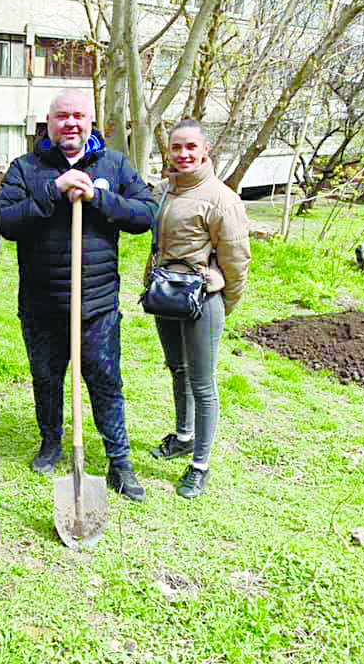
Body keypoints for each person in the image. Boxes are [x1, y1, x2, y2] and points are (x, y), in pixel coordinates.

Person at [0, 89, 157, 501]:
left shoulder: (113, 163)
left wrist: (98, 197)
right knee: (46, 380)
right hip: (42, 305)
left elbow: (145, 214)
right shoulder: (26, 168)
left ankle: (119, 462)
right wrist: (54, 190)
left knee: (105, 382)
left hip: (97, 305)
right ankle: (50, 444)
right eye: (62, 116)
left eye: (79, 116)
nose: (71, 123)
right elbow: (5, 221)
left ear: (91, 122)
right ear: (48, 123)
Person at [147, 119, 250, 499]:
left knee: (202, 383)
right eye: (177, 148)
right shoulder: (164, 192)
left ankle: (201, 466)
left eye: (191, 147)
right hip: (165, 294)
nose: (184, 154)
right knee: (178, 368)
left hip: (202, 301)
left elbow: (237, 258)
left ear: (206, 149)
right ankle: (185, 436)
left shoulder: (221, 197)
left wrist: (223, 300)